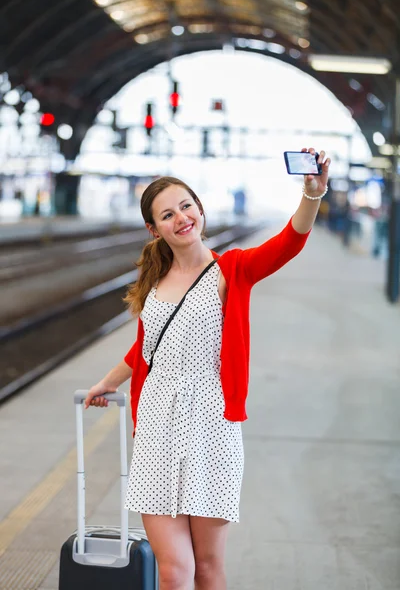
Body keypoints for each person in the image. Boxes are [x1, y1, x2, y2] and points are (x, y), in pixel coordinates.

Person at [84, 147, 331, 590]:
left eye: (185, 206)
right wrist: (104, 384)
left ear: (199, 208)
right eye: (167, 215)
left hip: (211, 431)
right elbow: (145, 349)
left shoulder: (231, 270)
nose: (181, 218)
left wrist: (312, 194)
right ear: (153, 229)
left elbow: (288, 243)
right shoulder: (153, 282)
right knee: (175, 571)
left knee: (208, 569)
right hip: (157, 431)